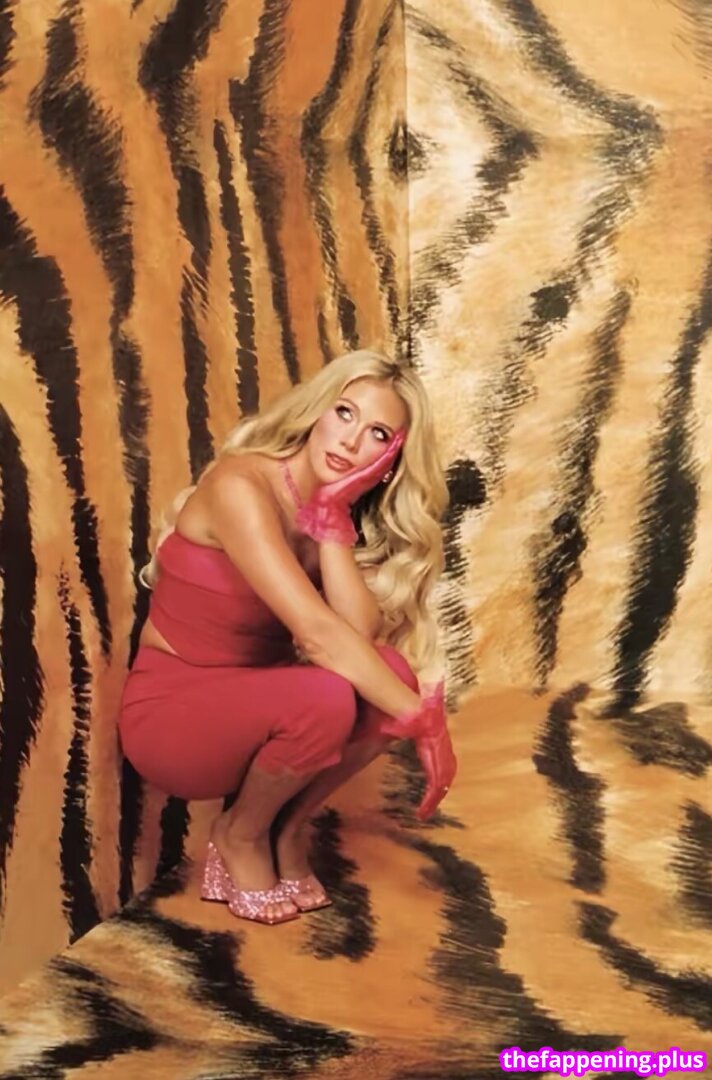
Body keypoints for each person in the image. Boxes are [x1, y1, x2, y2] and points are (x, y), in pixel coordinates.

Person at [118, 350, 457, 925]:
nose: (351, 441)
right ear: (317, 410)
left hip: (261, 706)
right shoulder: (240, 484)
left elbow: (358, 637)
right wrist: (425, 720)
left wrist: (331, 518)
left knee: (389, 673)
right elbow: (320, 637)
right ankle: (240, 834)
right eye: (344, 412)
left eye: (377, 434)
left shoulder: (323, 510)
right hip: (174, 718)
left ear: (391, 460)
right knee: (333, 695)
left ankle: (288, 828)